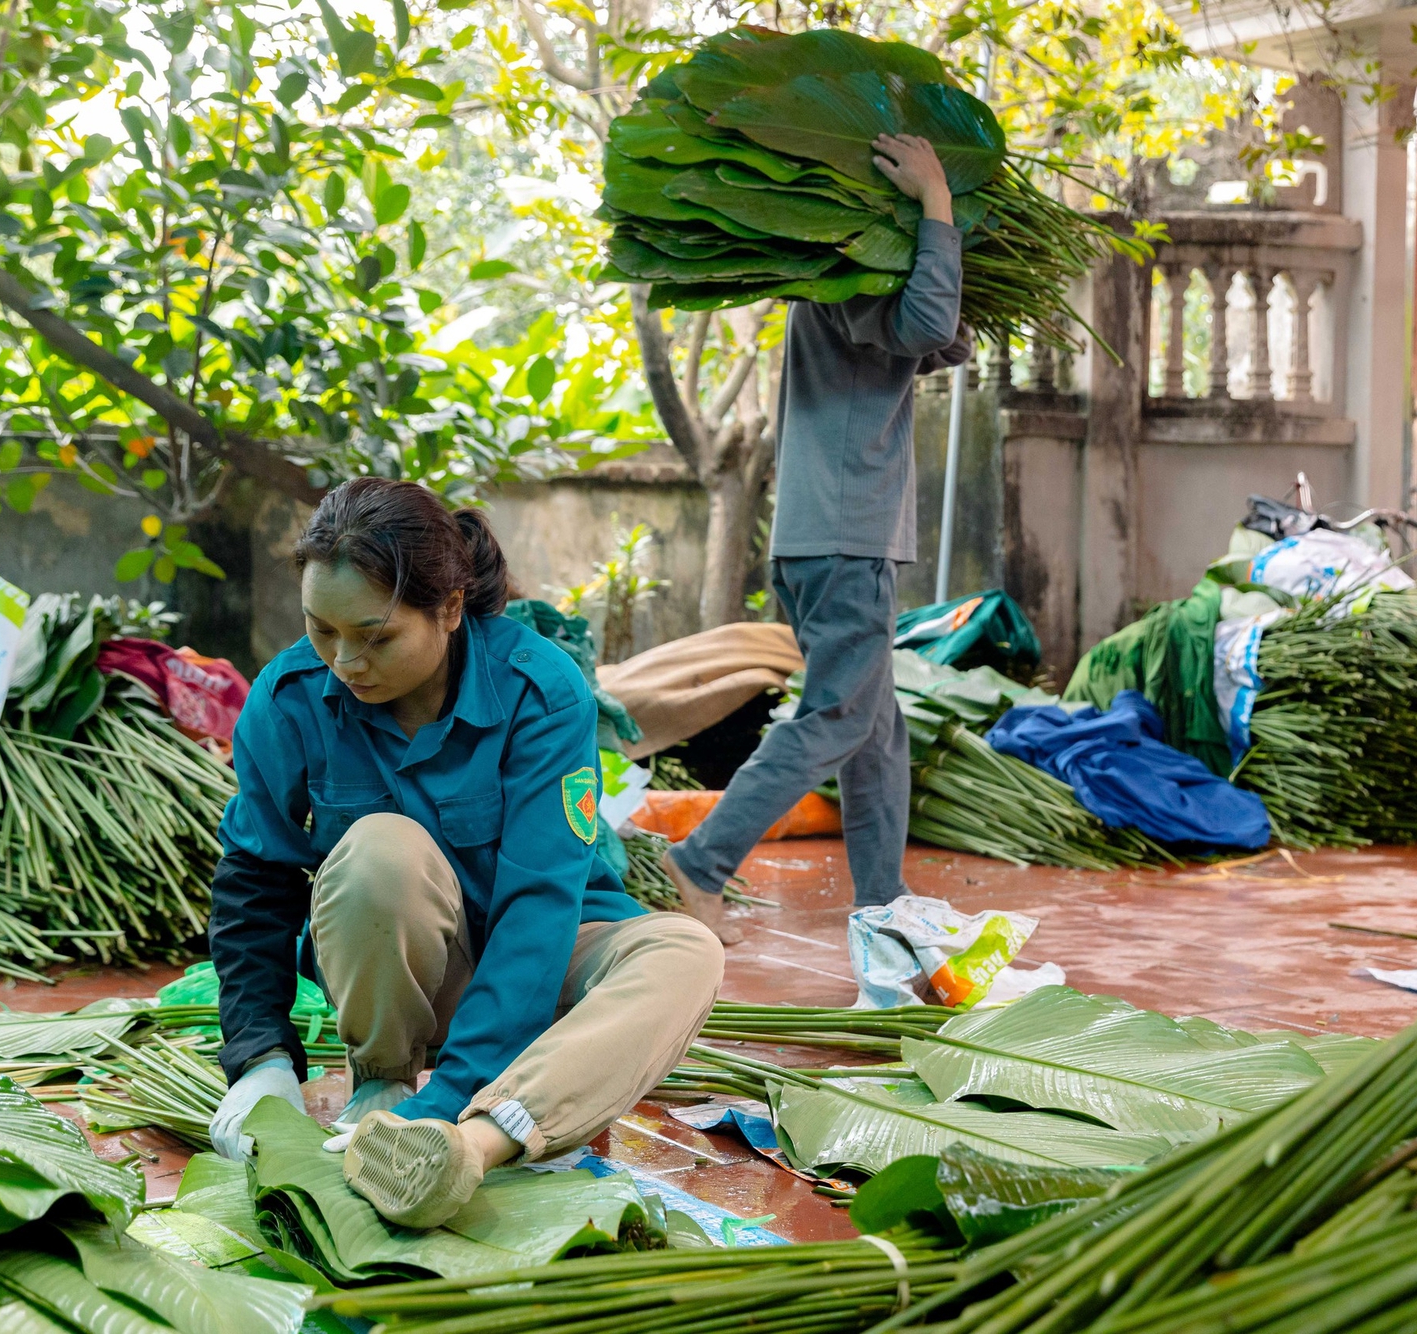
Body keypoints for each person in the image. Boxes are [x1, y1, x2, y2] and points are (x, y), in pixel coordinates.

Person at [205, 477, 723, 1229]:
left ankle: (472, 1145)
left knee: (685, 950)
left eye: (376, 636)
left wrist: (448, 1101)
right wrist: (259, 1060)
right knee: (383, 850)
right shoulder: (288, 699)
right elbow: (254, 877)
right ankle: (381, 1088)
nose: (345, 661)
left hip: (548, 969)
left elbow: (538, 908)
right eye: (323, 630)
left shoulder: (539, 691)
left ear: (449, 611)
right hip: (421, 989)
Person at [664, 132, 968, 938]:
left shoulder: (835, 282)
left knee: (876, 730)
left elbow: (932, 339)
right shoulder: (850, 271)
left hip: (822, 539)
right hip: (846, 540)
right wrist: (938, 202)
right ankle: (698, 863)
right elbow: (930, 319)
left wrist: (955, 289)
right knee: (838, 719)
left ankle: (880, 900)